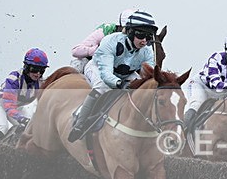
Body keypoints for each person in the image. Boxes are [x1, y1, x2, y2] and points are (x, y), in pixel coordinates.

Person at [68, 10, 159, 142]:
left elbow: (149, 75)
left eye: (148, 37)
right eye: (141, 35)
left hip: (125, 73)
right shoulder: (110, 41)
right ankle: (79, 125)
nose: (144, 41)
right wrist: (120, 84)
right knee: (102, 87)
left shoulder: (147, 51)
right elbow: (106, 74)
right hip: (98, 68)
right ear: (130, 32)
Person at [184, 31, 227, 128]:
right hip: (202, 87)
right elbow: (215, 83)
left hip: (223, 93)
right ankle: (183, 132)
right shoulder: (216, 59)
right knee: (196, 104)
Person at [0, 48, 49, 141]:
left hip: (17, 108)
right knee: (2, 127)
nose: (38, 74)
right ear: (26, 66)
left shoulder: (42, 82)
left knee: (32, 128)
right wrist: (21, 119)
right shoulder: (14, 79)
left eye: (42, 70)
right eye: (34, 69)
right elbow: (9, 106)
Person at [69, 8, 134, 73]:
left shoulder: (135, 39)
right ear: (120, 26)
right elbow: (75, 51)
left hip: (112, 66)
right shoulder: (105, 31)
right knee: (77, 65)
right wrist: (97, 50)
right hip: (89, 61)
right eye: (127, 29)